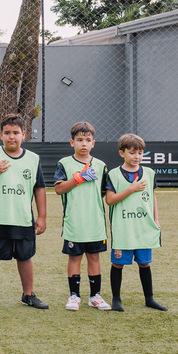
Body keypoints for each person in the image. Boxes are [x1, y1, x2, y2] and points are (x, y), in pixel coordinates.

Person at [0, 113, 48, 311]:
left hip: (23, 218)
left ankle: (28, 295)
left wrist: (42, 216)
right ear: (1, 135)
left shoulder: (33, 159)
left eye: (15, 133)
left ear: (24, 134)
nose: (11, 137)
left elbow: (39, 188)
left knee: (25, 256)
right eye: (7, 133)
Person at [103, 133, 167, 312]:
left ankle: (149, 299)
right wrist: (131, 189)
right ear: (121, 153)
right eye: (132, 152)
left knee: (145, 263)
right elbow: (110, 200)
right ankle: (116, 299)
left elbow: (152, 197)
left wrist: (156, 219)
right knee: (118, 264)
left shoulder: (149, 173)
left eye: (140, 153)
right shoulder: (114, 175)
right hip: (123, 228)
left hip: (143, 228)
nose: (137, 156)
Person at [53, 121, 111, 311]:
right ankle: (74, 296)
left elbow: (104, 192)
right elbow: (59, 189)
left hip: (95, 223)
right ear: (72, 142)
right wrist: (78, 179)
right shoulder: (64, 163)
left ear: (93, 143)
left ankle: (95, 296)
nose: (83, 144)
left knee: (94, 258)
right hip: (74, 222)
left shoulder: (101, 165)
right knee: (75, 258)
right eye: (79, 140)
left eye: (87, 140)